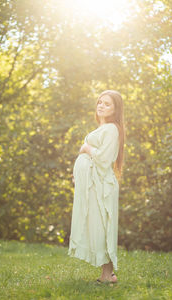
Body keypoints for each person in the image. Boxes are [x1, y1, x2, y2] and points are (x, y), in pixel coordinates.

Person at [68, 90, 125, 284]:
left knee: (103, 227)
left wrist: (86, 149)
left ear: (116, 109)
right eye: (100, 102)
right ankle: (107, 274)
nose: (101, 105)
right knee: (99, 226)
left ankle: (107, 275)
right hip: (95, 183)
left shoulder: (111, 128)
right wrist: (80, 175)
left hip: (102, 185)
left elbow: (104, 158)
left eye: (107, 104)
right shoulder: (104, 128)